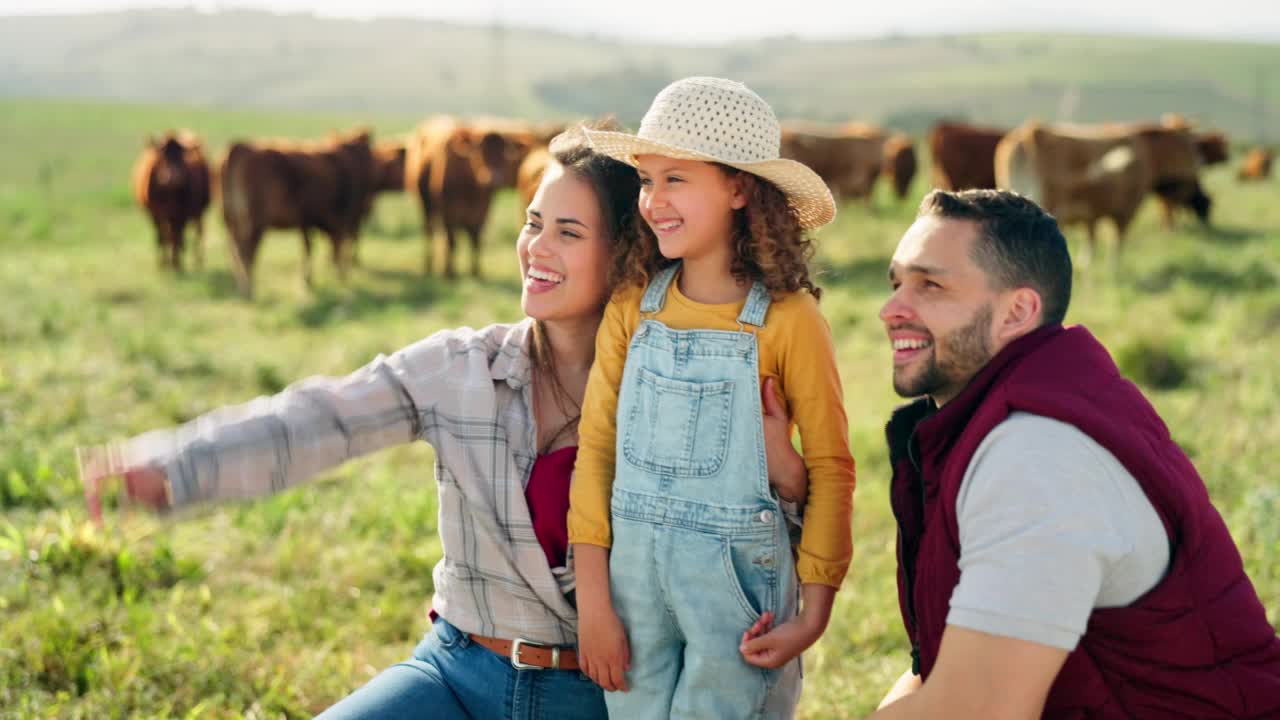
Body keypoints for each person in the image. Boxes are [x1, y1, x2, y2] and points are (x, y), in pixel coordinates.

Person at [78, 125, 810, 720]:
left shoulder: (686, 393)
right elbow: (316, 418)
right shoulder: (460, 368)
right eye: (531, 224)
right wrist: (172, 466)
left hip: (606, 700)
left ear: (625, 254)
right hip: (457, 675)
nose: (536, 250)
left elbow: (746, 574)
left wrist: (785, 482)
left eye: (566, 232)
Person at [867, 188, 1280, 719]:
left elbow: (975, 711)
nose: (890, 310)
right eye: (896, 282)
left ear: (1018, 311)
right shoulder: (987, 424)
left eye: (930, 285)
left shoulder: (1035, 457)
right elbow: (941, 670)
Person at [567, 76, 857, 718]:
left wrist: (813, 614)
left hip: (743, 599)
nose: (653, 200)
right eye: (647, 180)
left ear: (737, 188)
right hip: (631, 590)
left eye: (677, 179)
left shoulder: (789, 319)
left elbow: (834, 468)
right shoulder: (630, 308)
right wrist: (593, 600)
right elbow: (597, 453)